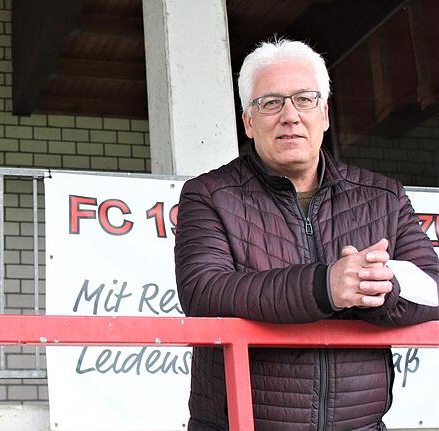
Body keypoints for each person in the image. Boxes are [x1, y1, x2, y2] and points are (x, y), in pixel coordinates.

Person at [175, 39, 439, 430]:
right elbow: (203, 290)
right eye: (270, 103)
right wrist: (325, 286)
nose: (290, 116)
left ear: (325, 114)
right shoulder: (209, 194)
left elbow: (433, 289)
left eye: (304, 99)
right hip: (241, 424)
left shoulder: (382, 196)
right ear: (248, 121)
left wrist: (377, 289)